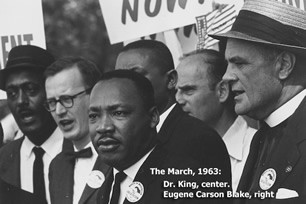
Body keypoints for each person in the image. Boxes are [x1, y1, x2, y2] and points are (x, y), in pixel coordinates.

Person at [210, 0, 306, 202]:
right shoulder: (262, 136)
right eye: (228, 63)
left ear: (284, 66)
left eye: (240, 63)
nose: (227, 76)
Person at [89, 70, 230, 204]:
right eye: (94, 116)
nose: (103, 127)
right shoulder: (108, 182)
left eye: (119, 113)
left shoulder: (188, 183)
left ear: (153, 117)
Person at [115, 40, 232, 187]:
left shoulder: (197, 138)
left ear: (171, 80)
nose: (122, 86)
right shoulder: (125, 137)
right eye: (118, 77)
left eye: (136, 76)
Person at [175, 49, 256, 192]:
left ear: (222, 91)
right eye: (176, 91)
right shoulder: (176, 153)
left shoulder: (258, 148)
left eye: (188, 90)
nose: (178, 99)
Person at [0, 45, 66, 204]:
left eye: (31, 89)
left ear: (51, 92)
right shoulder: (3, 159)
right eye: (12, 93)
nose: (21, 101)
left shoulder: (82, 150)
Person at [44, 57, 110, 204]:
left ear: (95, 94)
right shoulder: (57, 166)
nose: (59, 111)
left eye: (67, 99)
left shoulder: (121, 155)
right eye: (52, 102)